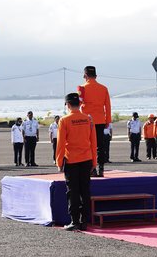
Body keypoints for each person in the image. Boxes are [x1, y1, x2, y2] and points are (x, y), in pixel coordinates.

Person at [56, 93, 97, 231]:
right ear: (79, 104)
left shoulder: (64, 120)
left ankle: (74, 220)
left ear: (67, 105)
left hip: (72, 160)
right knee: (85, 190)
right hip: (86, 159)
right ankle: (85, 220)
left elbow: (60, 143)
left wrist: (59, 161)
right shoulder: (88, 119)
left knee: (72, 191)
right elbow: (93, 141)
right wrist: (94, 162)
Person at [78, 66, 111, 177]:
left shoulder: (82, 88)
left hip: (86, 121)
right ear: (96, 76)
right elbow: (108, 106)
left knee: (88, 145)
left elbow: (78, 105)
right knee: (100, 146)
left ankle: (91, 169)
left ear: (85, 76)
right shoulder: (103, 88)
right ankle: (101, 168)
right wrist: (108, 120)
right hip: (100, 120)